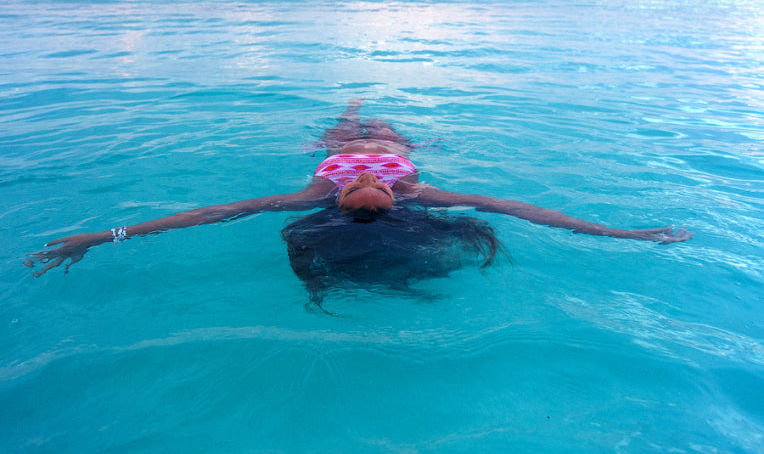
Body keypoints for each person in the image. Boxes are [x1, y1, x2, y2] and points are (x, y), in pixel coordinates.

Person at [25, 99, 692, 285]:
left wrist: (102, 236)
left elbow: (212, 213)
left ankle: (350, 106)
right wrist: (621, 232)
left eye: (366, 184)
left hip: (330, 140)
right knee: (380, 124)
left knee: (345, 122)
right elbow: (518, 207)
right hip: (406, 139)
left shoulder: (317, 184)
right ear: (395, 198)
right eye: (373, 181)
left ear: (339, 201)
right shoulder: (416, 186)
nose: (370, 175)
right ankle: (365, 104)